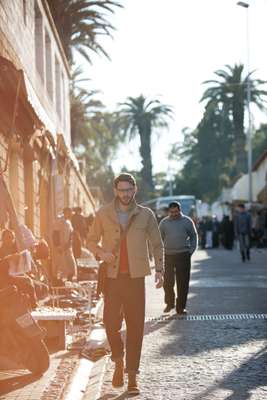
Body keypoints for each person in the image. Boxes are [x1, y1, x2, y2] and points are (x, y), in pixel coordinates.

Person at [87, 173, 164, 395]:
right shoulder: (103, 213)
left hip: (135, 279)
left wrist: (159, 269)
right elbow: (90, 240)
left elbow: (157, 244)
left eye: (129, 190)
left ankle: (131, 376)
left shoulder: (146, 215)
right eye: (121, 190)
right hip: (112, 279)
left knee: (135, 327)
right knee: (110, 324)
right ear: (115, 191)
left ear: (135, 190)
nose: (125, 194)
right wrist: (102, 253)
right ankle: (118, 359)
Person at [159, 201, 198, 314]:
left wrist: (191, 251)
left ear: (180, 210)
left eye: (176, 212)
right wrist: (159, 253)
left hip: (183, 255)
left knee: (183, 282)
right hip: (168, 255)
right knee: (167, 282)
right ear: (169, 211)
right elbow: (159, 238)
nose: (174, 214)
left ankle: (181, 307)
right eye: (172, 212)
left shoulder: (187, 221)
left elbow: (193, 236)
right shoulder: (164, 223)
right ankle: (170, 303)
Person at [52, 207, 77, 281]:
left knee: (71, 265)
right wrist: (57, 245)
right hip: (59, 247)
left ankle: (69, 279)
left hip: (67, 247)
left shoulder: (69, 222)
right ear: (66, 212)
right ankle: (56, 280)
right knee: (59, 264)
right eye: (70, 212)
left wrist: (69, 243)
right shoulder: (59, 221)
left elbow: (71, 234)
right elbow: (55, 233)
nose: (71, 214)